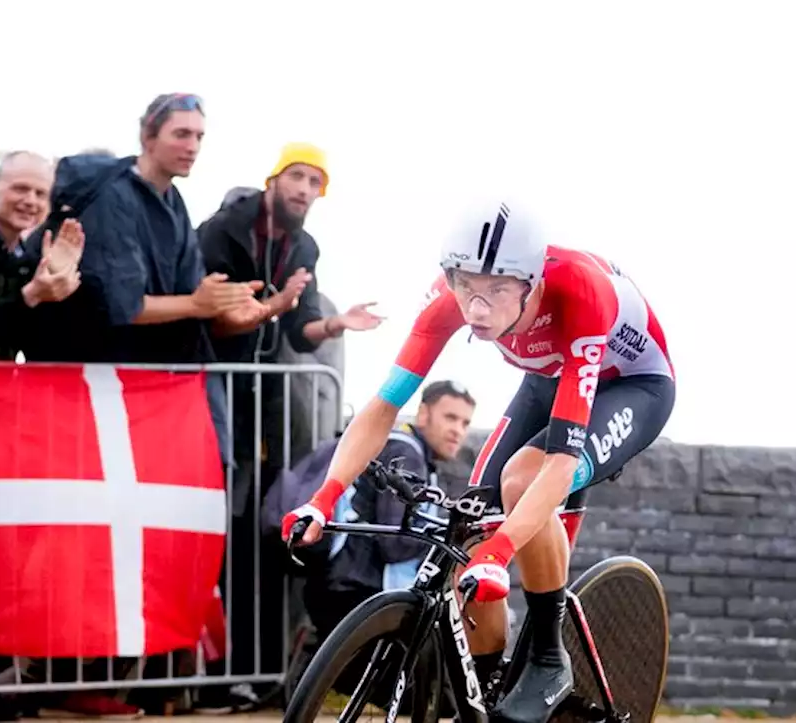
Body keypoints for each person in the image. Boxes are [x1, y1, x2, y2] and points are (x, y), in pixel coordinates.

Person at [280, 201, 676, 723]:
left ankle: (548, 658)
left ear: (531, 284)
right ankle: (486, 694)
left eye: (496, 291)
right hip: (549, 376)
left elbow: (558, 463)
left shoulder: (581, 293)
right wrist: (322, 497)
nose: (477, 308)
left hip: (630, 386)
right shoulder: (450, 302)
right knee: (470, 525)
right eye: (465, 286)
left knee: (521, 482)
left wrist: (504, 548)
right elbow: (384, 407)